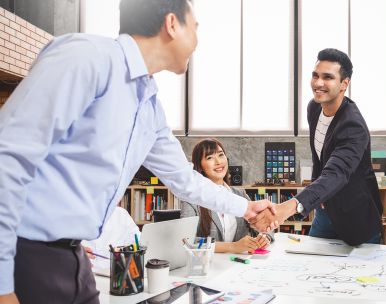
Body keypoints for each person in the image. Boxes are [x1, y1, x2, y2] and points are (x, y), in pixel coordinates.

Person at [0, 1, 277, 303]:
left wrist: (246, 208)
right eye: (195, 28)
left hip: (75, 257)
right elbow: (8, 159)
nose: (197, 40)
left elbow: (185, 179)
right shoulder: (85, 57)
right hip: (24, 254)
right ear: (172, 24)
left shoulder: (149, 105)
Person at [271, 48, 382, 246]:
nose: (318, 83)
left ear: (344, 84)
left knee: (360, 275)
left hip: (355, 216)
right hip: (324, 209)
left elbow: (336, 173)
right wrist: (318, 192)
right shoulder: (314, 107)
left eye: (328, 77)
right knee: (313, 268)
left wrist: (289, 206)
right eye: (315, 75)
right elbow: (320, 158)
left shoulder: (353, 126)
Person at [181, 138, 273, 253]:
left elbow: (264, 224)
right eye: (210, 158)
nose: (218, 162)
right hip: (208, 265)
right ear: (200, 166)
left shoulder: (240, 195)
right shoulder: (191, 199)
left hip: (240, 264)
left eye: (221, 155)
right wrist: (233, 247)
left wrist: (265, 237)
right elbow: (186, 240)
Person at [82, 206, 140, 271]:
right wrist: (73, 253)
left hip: (117, 273)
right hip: (85, 274)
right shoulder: (73, 215)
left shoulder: (121, 213)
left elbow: (138, 241)